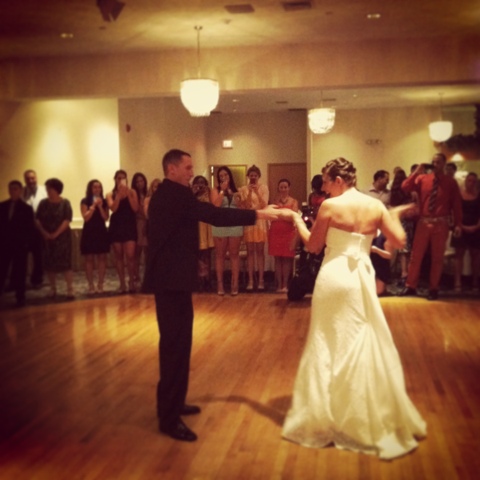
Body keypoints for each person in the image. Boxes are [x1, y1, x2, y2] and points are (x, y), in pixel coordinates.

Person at [281, 157, 426, 459]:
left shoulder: (330, 207)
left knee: (326, 341)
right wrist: (390, 218)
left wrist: (296, 220)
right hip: (361, 277)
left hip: (334, 277)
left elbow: (313, 246)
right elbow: (399, 240)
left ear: (338, 180)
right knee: (359, 340)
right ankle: (359, 412)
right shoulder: (375, 206)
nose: (323, 187)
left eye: (325, 181)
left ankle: (327, 414)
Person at [143, 149, 282, 443]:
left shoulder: (171, 194)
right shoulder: (173, 195)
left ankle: (174, 403)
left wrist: (193, 260)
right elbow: (215, 216)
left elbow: (177, 234)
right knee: (174, 346)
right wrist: (258, 213)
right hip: (170, 282)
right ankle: (169, 418)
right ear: (171, 169)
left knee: (180, 344)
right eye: (187, 167)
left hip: (174, 279)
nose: (192, 171)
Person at [398, 153, 462, 300]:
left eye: (438, 162)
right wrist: (417, 171)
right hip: (424, 222)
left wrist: (458, 223)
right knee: (416, 256)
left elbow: (456, 204)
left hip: (441, 223)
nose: (435, 164)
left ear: (444, 163)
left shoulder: (450, 182)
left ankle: (433, 288)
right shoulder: (423, 179)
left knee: (437, 258)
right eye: (433, 162)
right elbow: (405, 186)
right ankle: (410, 286)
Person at [36, 178, 74, 299]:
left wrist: (55, 234)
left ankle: (70, 289)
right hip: (46, 238)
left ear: (57, 189)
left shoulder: (65, 203)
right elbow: (37, 220)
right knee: (49, 264)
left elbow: (67, 220)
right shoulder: (43, 203)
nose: (48, 191)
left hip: (63, 238)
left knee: (66, 264)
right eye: (47, 189)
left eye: (50, 189)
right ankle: (53, 288)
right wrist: (45, 233)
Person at [0, 180, 35, 307]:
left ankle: (20, 297)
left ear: (20, 191)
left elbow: (29, 228)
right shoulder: (2, 206)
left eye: (15, 189)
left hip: (19, 245)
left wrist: (26, 244)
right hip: (4, 244)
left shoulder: (26, 208)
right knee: (2, 270)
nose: (13, 191)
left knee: (20, 271)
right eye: (11, 189)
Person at [210, 166, 244, 296]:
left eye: (226, 175)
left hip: (235, 224)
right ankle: (220, 285)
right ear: (218, 178)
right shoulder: (215, 190)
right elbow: (216, 205)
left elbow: (242, 208)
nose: (223, 177)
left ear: (230, 176)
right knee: (220, 255)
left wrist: (237, 197)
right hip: (220, 225)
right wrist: (222, 191)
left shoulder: (237, 190)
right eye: (221, 176)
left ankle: (235, 284)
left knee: (235, 255)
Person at [237, 165, 269, 291]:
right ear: (248, 176)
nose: (253, 177)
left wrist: (257, 192)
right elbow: (245, 206)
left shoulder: (264, 188)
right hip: (249, 220)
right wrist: (250, 192)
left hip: (260, 220)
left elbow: (264, 204)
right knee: (250, 252)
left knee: (260, 252)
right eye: (251, 175)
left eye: (255, 175)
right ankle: (250, 280)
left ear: (258, 176)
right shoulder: (243, 189)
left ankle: (261, 280)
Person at [106, 170, 139, 293]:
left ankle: (131, 282)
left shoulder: (132, 192)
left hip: (129, 225)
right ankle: (122, 283)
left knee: (130, 255)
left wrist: (128, 194)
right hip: (116, 226)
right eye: (118, 178)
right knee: (118, 256)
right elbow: (113, 209)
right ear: (115, 179)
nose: (121, 180)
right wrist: (119, 196)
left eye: (123, 178)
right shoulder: (110, 194)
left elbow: (135, 208)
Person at [451, 172, 480, 292]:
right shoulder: (459, 195)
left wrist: (476, 226)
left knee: (476, 256)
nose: (471, 183)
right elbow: (454, 211)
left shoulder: (479, 195)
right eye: (469, 180)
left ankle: (475, 282)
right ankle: (457, 282)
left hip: (476, 228)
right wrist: (460, 225)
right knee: (459, 255)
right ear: (465, 181)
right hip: (460, 227)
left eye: (474, 181)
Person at [268, 178, 298, 293]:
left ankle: (285, 285)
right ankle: (279, 285)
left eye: (285, 187)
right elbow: (272, 215)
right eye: (281, 187)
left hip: (288, 232)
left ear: (289, 188)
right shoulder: (274, 200)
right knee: (277, 258)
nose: (284, 189)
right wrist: (285, 215)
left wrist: (280, 215)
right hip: (275, 231)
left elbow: (293, 217)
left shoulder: (294, 201)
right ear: (278, 188)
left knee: (286, 259)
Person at [80, 180, 110, 294]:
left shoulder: (104, 201)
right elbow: (86, 218)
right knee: (89, 259)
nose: (97, 189)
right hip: (89, 231)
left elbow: (105, 217)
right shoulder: (85, 201)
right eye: (94, 187)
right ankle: (91, 285)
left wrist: (101, 206)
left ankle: (100, 284)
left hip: (101, 231)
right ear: (90, 189)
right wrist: (93, 206)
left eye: (99, 187)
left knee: (102, 258)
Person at [389, 169, 418, 286]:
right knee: (409, 248)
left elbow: (392, 206)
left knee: (401, 249)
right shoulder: (409, 192)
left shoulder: (393, 192)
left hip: (398, 220)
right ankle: (408, 274)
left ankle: (403, 273)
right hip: (408, 221)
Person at [23, 169, 47, 287]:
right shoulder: (22, 192)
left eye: (32, 178)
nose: (30, 181)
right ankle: (19, 280)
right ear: (25, 180)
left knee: (39, 255)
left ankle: (37, 278)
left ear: (36, 178)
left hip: (41, 227)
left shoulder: (44, 191)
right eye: (28, 179)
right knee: (22, 255)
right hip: (25, 229)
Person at [192, 175, 214, 292]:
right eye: (198, 182)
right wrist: (194, 194)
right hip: (196, 227)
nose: (200, 185)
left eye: (202, 182)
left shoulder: (209, 193)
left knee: (207, 255)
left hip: (206, 226)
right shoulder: (191, 194)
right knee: (197, 255)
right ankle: (198, 280)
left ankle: (208, 279)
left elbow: (213, 207)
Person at [132, 172, 149, 285]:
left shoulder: (148, 193)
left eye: (141, 181)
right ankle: (136, 275)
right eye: (137, 181)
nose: (139, 183)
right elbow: (137, 210)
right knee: (137, 252)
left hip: (148, 223)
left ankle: (147, 275)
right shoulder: (133, 194)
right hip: (138, 223)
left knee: (148, 252)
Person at [370, 231, 393, 296]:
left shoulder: (384, 235)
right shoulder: (366, 234)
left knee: (377, 292)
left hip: (381, 268)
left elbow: (389, 255)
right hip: (369, 266)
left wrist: (376, 250)